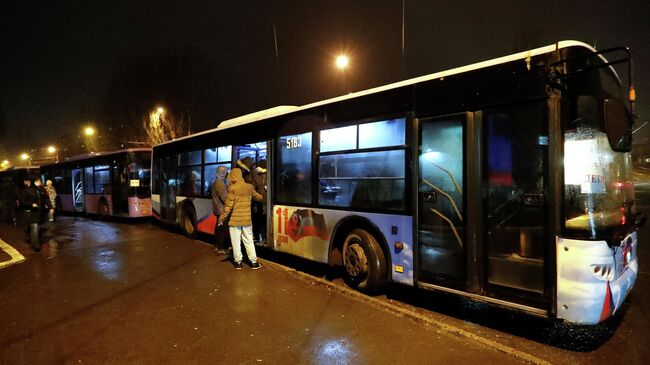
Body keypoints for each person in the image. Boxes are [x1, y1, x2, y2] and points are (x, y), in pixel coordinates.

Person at [218, 167, 264, 270]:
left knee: (235, 241)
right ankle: (254, 262)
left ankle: (238, 262)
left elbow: (228, 206)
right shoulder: (250, 187)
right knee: (249, 241)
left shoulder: (232, 188)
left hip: (235, 221)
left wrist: (221, 218)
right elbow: (259, 198)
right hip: (247, 220)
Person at [210, 166, 230, 255]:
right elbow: (225, 198)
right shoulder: (220, 184)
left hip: (217, 209)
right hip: (222, 210)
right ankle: (221, 248)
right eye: (226, 172)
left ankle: (217, 247)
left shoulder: (216, 182)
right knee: (222, 230)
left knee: (218, 228)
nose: (227, 174)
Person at [18, 178, 40, 250]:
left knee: (34, 227)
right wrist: (31, 204)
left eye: (26, 180)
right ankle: (35, 244)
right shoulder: (25, 190)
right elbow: (22, 201)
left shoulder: (34, 189)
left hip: (34, 211)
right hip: (29, 211)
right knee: (34, 227)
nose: (24, 182)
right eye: (24, 181)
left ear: (29, 181)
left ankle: (34, 244)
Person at [252, 159, 267, 243]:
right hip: (259, 202)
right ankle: (258, 236)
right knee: (259, 220)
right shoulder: (256, 176)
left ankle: (264, 237)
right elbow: (253, 188)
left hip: (267, 202)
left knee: (265, 220)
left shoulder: (269, 174)